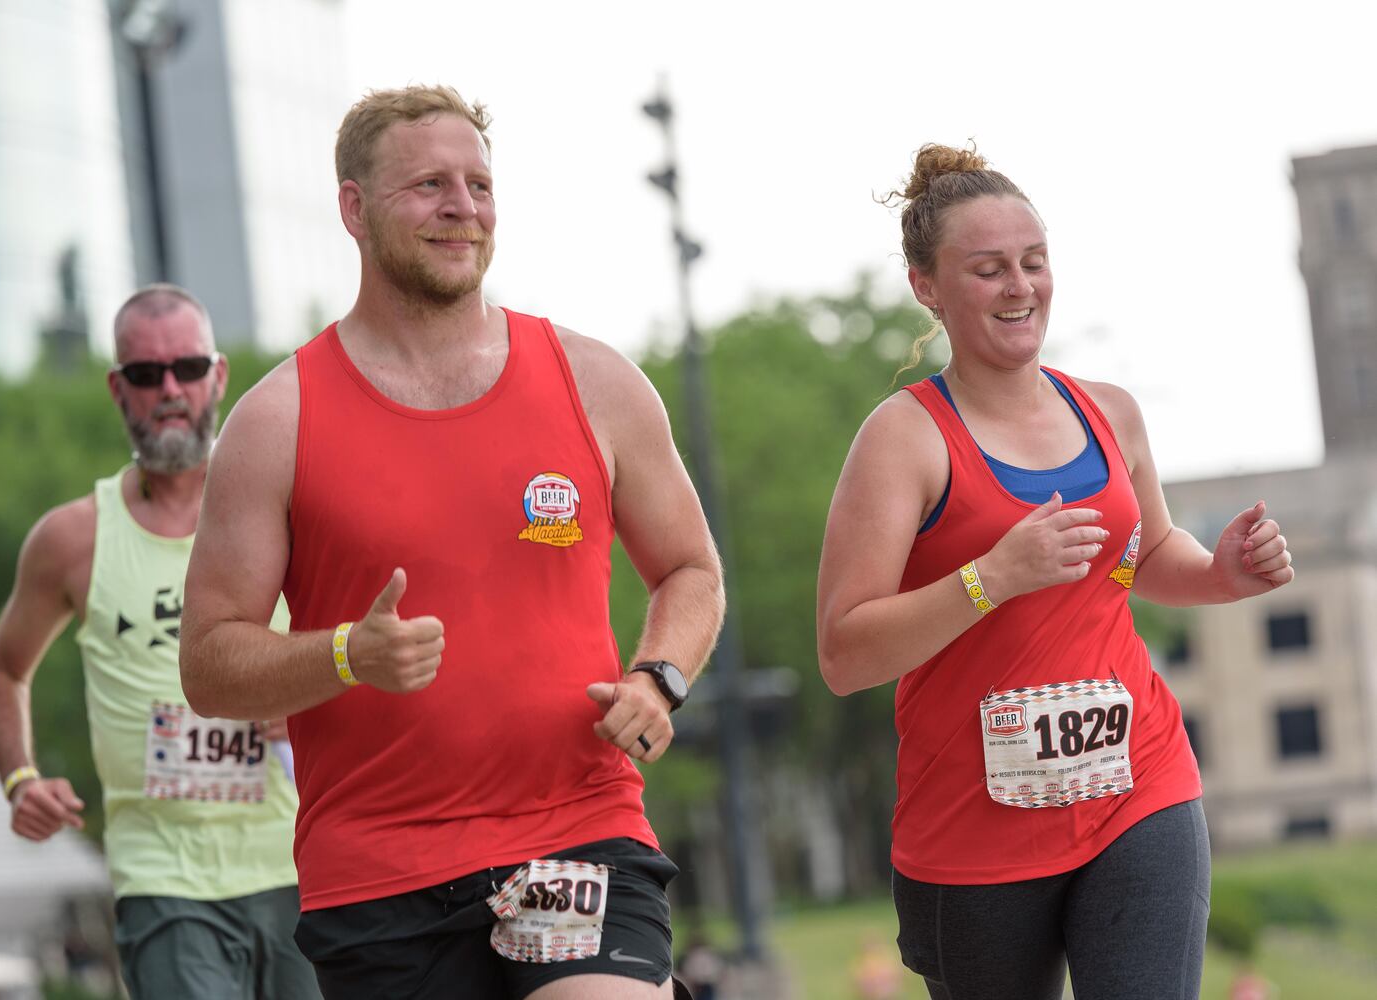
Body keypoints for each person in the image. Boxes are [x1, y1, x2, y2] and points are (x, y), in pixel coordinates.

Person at [177, 85, 724, 1000]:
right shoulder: (276, 421)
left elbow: (690, 570)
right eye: (428, 184)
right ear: (353, 207)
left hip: (575, 831)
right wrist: (348, 654)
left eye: (478, 184)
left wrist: (656, 677)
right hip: (381, 875)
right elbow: (210, 663)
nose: (461, 208)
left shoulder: (595, 382)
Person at [816, 144, 1295, 1000]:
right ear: (927, 286)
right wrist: (990, 577)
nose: (1021, 287)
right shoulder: (903, 439)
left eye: (1034, 263)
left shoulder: (1111, 413)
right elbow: (845, 653)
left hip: (1137, 786)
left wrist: (1221, 574)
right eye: (989, 269)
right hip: (974, 831)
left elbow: (1147, 556)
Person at [0, 285, 320, 999]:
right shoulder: (73, 538)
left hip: (304, 860)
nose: (169, 390)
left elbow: (373, 643)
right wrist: (20, 778)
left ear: (218, 376)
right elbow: (4, 671)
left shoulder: (296, 504)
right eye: (145, 373)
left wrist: (309, 703)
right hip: (162, 879)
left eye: (187, 369)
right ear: (117, 388)